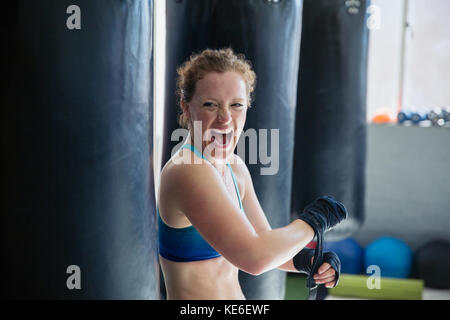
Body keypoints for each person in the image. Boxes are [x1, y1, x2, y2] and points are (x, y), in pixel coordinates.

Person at [157, 48, 345, 300]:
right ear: (186, 106)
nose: (225, 119)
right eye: (210, 105)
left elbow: (263, 241)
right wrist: (314, 222)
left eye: (236, 105)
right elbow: (255, 258)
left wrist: (307, 260)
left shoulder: (235, 168)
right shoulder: (187, 170)